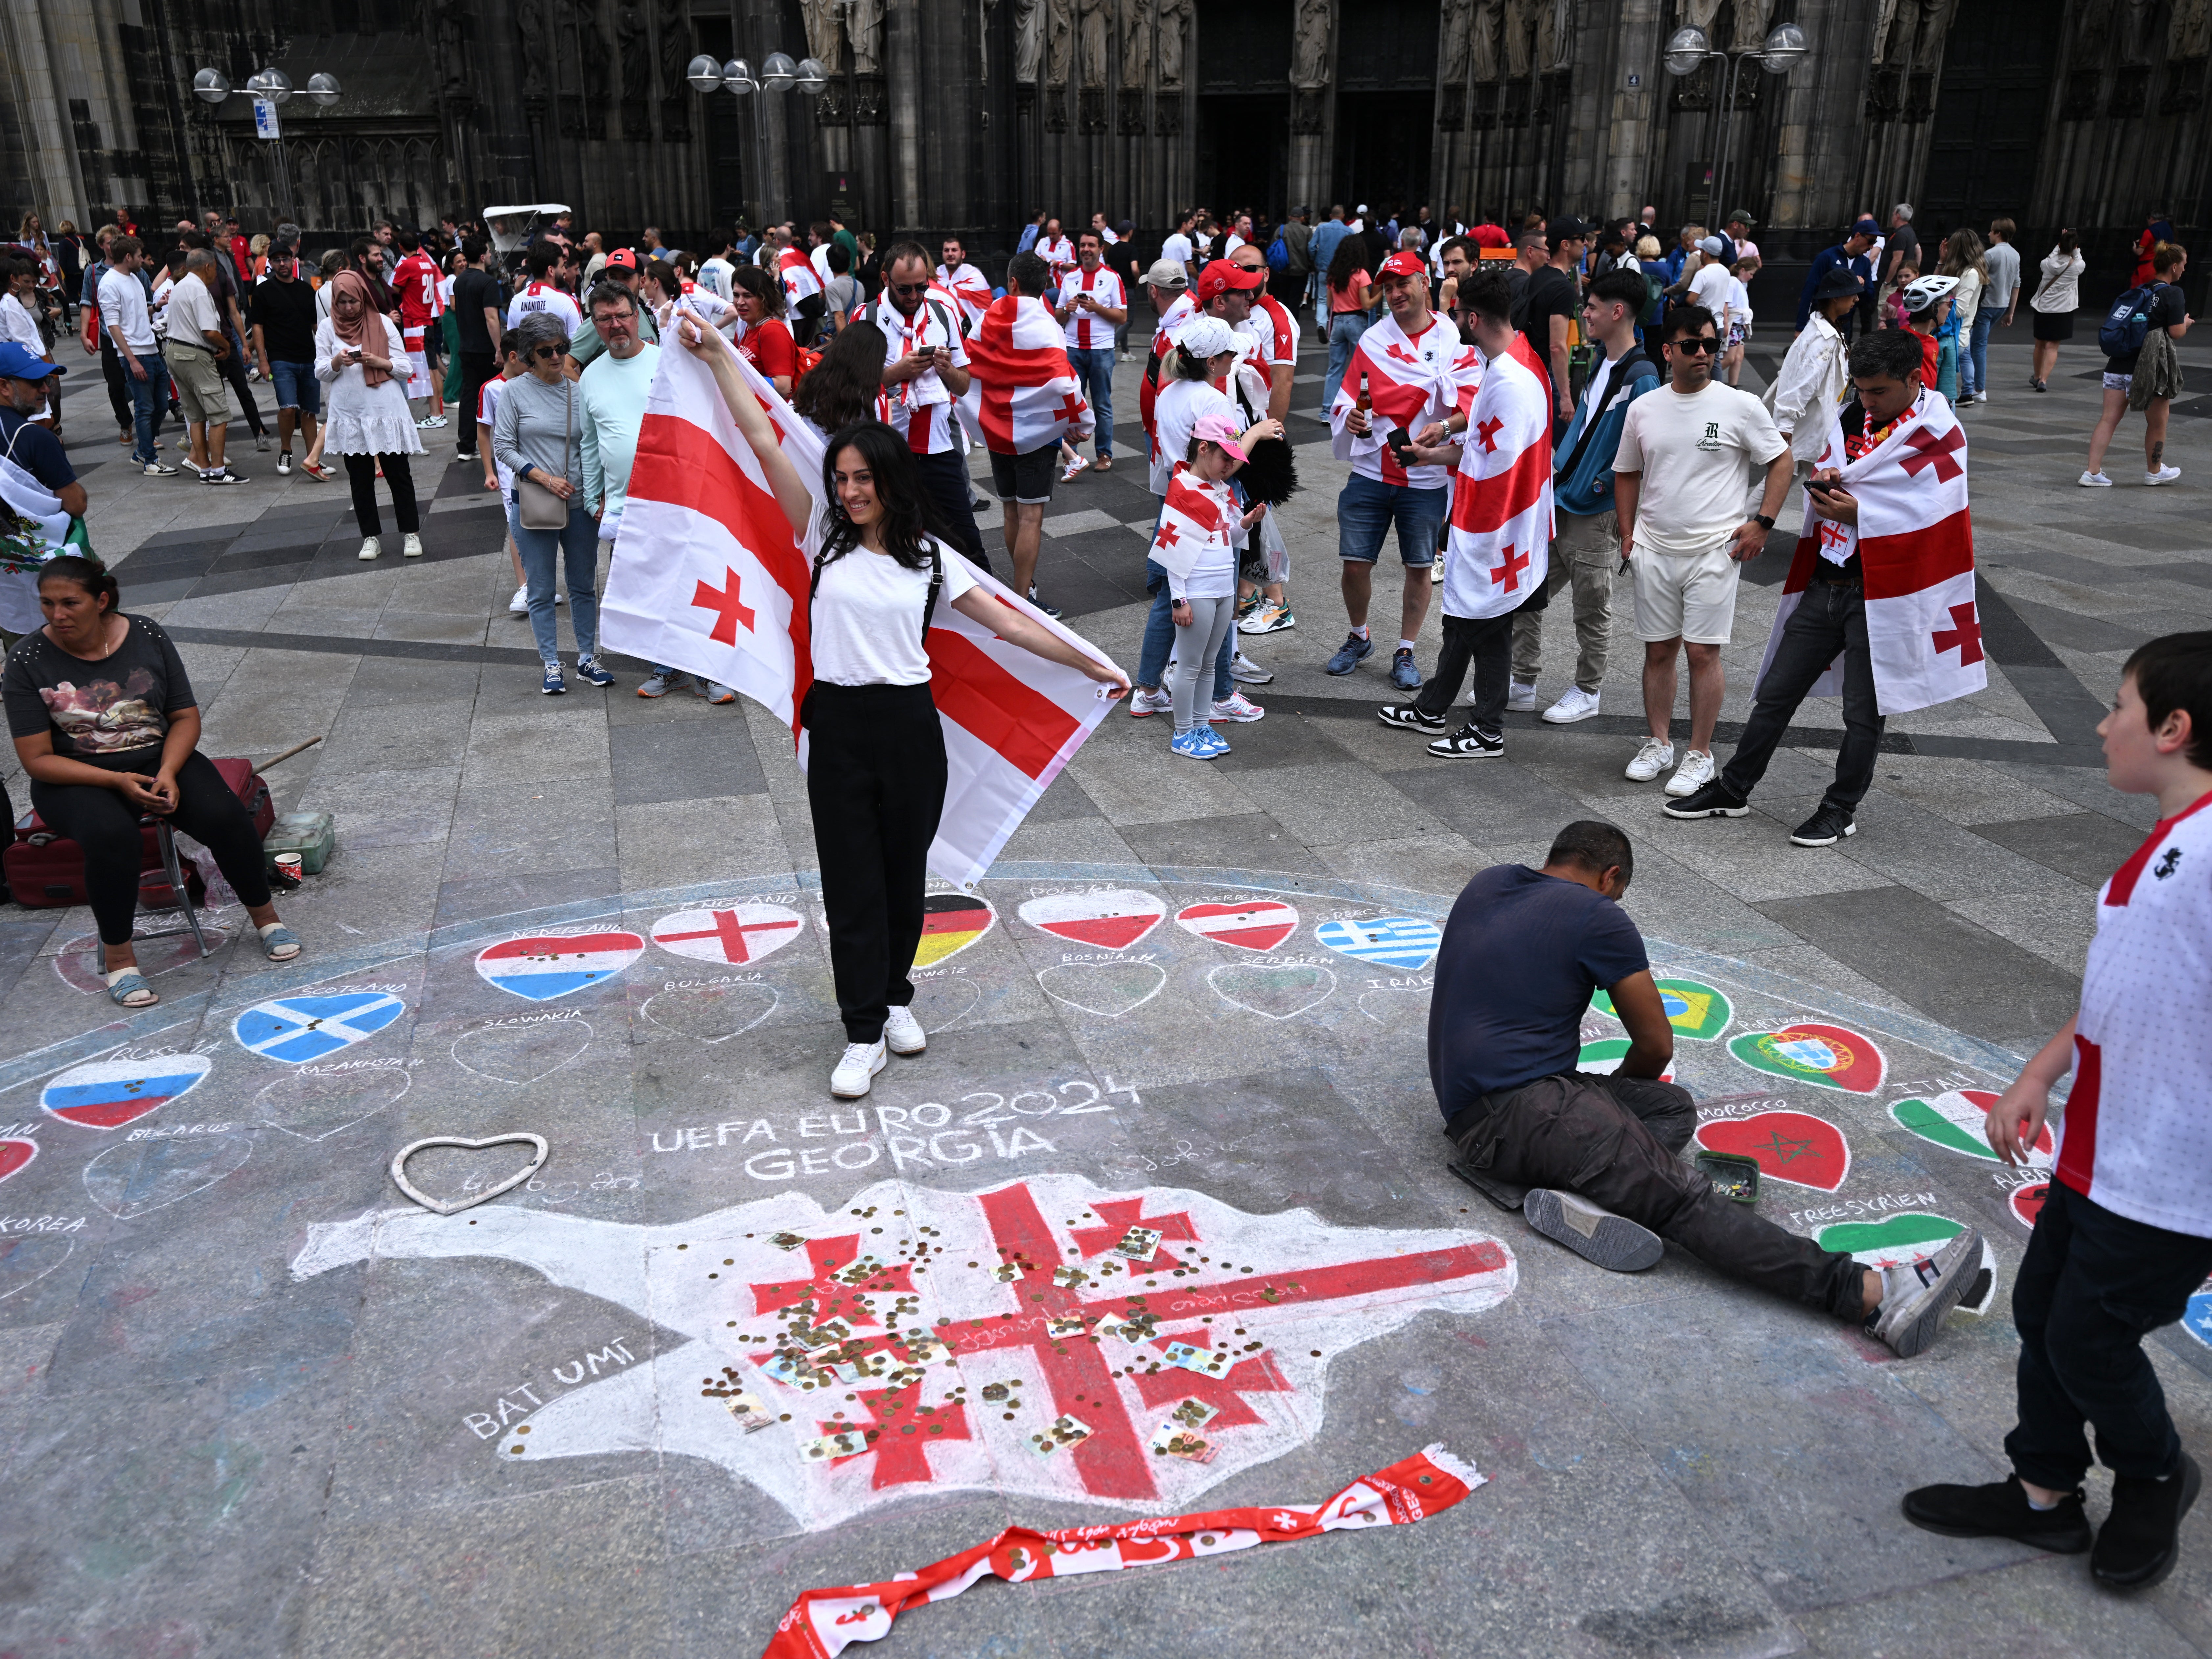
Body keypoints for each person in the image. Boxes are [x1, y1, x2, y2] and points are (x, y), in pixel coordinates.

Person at [669, 316, 1129, 1097]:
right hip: (840, 726)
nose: (847, 492)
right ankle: (859, 1032)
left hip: (911, 730)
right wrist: (719, 356)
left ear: (887, 482)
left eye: (860, 480)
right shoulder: (819, 536)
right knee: (852, 882)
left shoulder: (929, 562)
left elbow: (1011, 623)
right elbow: (762, 437)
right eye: (840, 479)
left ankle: (892, 1000)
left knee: (901, 879)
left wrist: (1092, 663)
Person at [1902, 632, 2212, 1589]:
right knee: (2044, 1308)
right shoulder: (2169, 844)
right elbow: (2129, 986)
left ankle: (2152, 1469)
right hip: (2102, 1147)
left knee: (2086, 1332)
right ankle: (2040, 1491)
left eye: (2115, 703)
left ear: (2171, 727)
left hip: (2171, 1173)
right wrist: (2040, 1071)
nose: (2098, 720)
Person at [1432, 817, 1983, 1353]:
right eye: (1618, 894)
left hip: (1478, 1104)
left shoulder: (1490, 882)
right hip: (1518, 1112)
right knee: (1686, 1198)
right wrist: (1604, 1128)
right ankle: (1874, 1297)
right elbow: (1655, 1045)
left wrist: (1609, 1118)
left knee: (1668, 1108)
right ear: (1611, 876)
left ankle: (1588, 1184)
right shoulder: (1598, 915)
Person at [1665, 328, 1980, 846]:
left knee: (1862, 713)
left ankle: (1839, 808)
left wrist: (1864, 511)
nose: (1866, 401)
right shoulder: (1853, 416)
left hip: (1882, 594)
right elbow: (1849, 471)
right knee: (1775, 692)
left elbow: (1934, 514)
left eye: (1878, 391)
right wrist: (1831, 486)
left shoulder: (1938, 431)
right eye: (1859, 389)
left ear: (1910, 379)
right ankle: (1733, 787)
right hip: (1829, 578)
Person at [4, 556, 300, 1009]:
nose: (56, 615)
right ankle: (122, 963)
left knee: (224, 814)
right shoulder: (26, 659)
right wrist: (118, 780)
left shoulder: (145, 634)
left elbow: (184, 716)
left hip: (160, 757)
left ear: (101, 601)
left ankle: (267, 919)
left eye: (69, 603)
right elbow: (37, 759)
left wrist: (166, 773)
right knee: (112, 837)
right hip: (74, 777)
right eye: (47, 603)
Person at [1613, 303, 1792, 800]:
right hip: (1653, 547)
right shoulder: (1643, 408)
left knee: (1701, 652)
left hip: (1714, 550)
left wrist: (1762, 524)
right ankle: (1657, 743)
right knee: (1658, 650)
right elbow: (1625, 471)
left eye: (1710, 346)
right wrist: (1627, 534)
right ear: (1667, 350)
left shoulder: (1739, 405)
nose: (1702, 355)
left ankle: (1699, 753)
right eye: (1690, 346)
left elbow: (1781, 461)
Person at [1376, 267, 1546, 758]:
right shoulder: (1518, 358)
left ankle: (1486, 729)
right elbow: (1483, 445)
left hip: (1496, 524)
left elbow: (1493, 468)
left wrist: (1470, 536)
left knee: (1485, 623)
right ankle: (1432, 706)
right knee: (1462, 620)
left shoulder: (1507, 379)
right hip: (1508, 518)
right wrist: (1432, 452)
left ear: (1472, 319)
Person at [1512, 269, 1657, 726]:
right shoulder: (1601, 361)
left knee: (1591, 607)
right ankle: (1521, 682)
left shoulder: (1642, 376)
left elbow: (1643, 450)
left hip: (1594, 511)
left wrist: (1601, 485)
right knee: (1527, 594)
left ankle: (1587, 690)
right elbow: (1584, 427)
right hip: (1562, 499)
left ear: (1618, 312)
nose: (1585, 315)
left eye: (1591, 307)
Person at [1326, 250, 1470, 689]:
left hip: (1424, 476)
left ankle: (1405, 650)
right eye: (1386, 288)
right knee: (1353, 565)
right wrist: (1348, 415)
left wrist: (1443, 426)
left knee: (1418, 567)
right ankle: (1358, 636)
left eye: (1401, 284)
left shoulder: (1453, 340)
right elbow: (1348, 395)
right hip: (1370, 471)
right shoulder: (1372, 340)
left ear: (1423, 283)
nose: (1393, 294)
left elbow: (1471, 406)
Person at [495, 313, 611, 696]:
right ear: (529, 354)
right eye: (547, 352)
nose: (557, 357)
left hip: (579, 502)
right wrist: (542, 477)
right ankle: (550, 663)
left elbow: (593, 445)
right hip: (534, 500)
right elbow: (503, 447)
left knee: (583, 584)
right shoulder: (513, 391)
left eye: (562, 348)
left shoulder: (580, 391)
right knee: (540, 589)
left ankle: (586, 658)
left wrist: (598, 489)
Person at [970, 250, 1092, 616]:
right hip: (1036, 435)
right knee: (1031, 518)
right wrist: (1081, 422)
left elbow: (972, 363)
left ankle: (1023, 587)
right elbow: (1064, 379)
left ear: (1012, 283)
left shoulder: (986, 320)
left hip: (997, 429)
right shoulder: (1048, 327)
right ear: (1045, 287)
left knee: (1010, 513)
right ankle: (1022, 602)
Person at [1153, 410, 1280, 759]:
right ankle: (1183, 732)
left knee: (1209, 664)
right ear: (1204, 449)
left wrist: (1247, 522)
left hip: (1223, 588)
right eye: (1226, 458)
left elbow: (1228, 536)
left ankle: (1199, 724)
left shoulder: (1219, 489)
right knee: (1191, 665)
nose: (1230, 466)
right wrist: (1179, 600)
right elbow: (1171, 551)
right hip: (1198, 590)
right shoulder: (1182, 490)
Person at [874, 242, 987, 572]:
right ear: (885, 279)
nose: (913, 295)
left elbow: (964, 384)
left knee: (968, 544)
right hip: (889, 453)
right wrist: (898, 372)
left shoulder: (943, 313)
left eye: (921, 286)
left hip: (939, 448)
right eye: (904, 289)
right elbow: (853, 387)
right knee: (896, 547)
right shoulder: (867, 316)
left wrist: (946, 369)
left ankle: (990, 618)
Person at [577, 281, 663, 687]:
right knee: (639, 589)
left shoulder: (667, 365)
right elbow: (589, 443)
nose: (615, 326)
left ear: (638, 316)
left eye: (622, 316)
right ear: (594, 325)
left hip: (671, 499)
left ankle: (704, 669)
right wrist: (595, 498)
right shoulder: (590, 377)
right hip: (620, 504)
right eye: (605, 319)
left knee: (681, 580)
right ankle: (663, 666)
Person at [319, 270, 425, 562]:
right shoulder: (327, 328)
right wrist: (337, 361)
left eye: (352, 301)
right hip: (350, 414)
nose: (348, 308)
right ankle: (370, 538)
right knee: (360, 479)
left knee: (398, 475)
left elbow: (405, 367)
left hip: (384, 411)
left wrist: (380, 362)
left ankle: (411, 533)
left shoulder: (383, 323)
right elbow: (320, 371)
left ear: (362, 296)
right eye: (341, 302)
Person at [2083, 243, 2190, 489]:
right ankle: (2154, 470)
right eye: (2183, 265)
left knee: (2108, 418)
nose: (2184, 269)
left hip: (2117, 365)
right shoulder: (2173, 294)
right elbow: (2175, 332)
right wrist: (2185, 323)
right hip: (2147, 368)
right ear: (2174, 267)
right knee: (2158, 421)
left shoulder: (2141, 290)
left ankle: (2092, 471)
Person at [0, 344, 83, 648]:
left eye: (46, 380)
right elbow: (75, 503)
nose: (46, 389)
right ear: (4, 386)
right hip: (43, 576)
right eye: (35, 382)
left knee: (20, 658)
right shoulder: (35, 437)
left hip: (4, 585)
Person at [1768, 267, 1861, 476]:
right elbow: (1806, 381)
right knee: (1794, 475)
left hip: (1814, 420)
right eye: (1851, 294)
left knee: (1786, 475)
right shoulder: (1823, 338)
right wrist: (1787, 422)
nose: (1856, 299)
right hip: (1809, 421)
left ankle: (1752, 509)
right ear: (1836, 298)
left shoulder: (1828, 329)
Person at [160, 251, 242, 486]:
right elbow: (209, 331)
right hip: (194, 354)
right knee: (218, 415)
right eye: (215, 268)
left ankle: (205, 468)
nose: (216, 274)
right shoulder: (198, 290)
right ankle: (218, 471)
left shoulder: (182, 286)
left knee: (195, 415)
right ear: (208, 267)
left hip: (175, 351)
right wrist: (227, 346)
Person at [98, 236, 175, 479]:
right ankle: (150, 461)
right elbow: (113, 326)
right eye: (140, 255)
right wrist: (131, 359)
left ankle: (142, 451)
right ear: (129, 257)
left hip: (152, 349)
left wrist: (157, 306)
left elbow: (139, 312)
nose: (144, 259)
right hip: (136, 355)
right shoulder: (109, 283)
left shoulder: (133, 279)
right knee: (145, 408)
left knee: (162, 406)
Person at [1055, 230, 1126, 473]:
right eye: (1083, 245)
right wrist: (1067, 307)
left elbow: (1122, 316)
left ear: (1101, 249)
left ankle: (1104, 454)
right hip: (1073, 348)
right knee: (1072, 404)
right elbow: (1057, 317)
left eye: (1091, 245)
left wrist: (1096, 308)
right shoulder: (1070, 277)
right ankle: (1072, 456)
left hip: (1101, 350)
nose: (1086, 249)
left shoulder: (1112, 278)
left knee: (1102, 404)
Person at [248, 244, 320, 478]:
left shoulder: (306, 290)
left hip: (308, 357)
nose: (282, 264)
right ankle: (286, 449)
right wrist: (263, 360)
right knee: (288, 408)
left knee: (310, 411)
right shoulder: (263, 292)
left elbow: (316, 325)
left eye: (286, 259)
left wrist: (324, 352)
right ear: (271, 263)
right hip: (280, 358)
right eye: (277, 260)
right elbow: (257, 327)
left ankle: (313, 459)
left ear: (293, 261)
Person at [1521, 216, 1586, 426]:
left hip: (1527, 365)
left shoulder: (1538, 276)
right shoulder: (1562, 287)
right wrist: (1566, 397)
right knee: (1568, 447)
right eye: (1581, 238)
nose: (1585, 243)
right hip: (1545, 372)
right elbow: (1557, 346)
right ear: (1566, 245)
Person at [451, 237, 504, 466]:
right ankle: (504, 443)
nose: (491, 255)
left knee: (470, 395)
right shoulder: (488, 283)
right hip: (486, 348)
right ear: (482, 257)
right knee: (499, 393)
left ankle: (466, 446)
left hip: (467, 346)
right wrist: (500, 348)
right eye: (489, 252)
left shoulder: (459, 282)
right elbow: (491, 318)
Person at [792, 319, 888, 441]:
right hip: (843, 458)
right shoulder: (872, 395)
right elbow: (877, 443)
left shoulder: (813, 379)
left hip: (808, 451)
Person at [392, 228, 447, 430]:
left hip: (415, 323)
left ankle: (435, 415)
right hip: (428, 319)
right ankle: (438, 413)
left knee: (426, 370)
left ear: (400, 247)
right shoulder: (427, 264)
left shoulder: (407, 265)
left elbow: (394, 291)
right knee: (432, 368)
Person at [1320, 234, 1379, 415]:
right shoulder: (1361, 274)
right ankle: (1356, 406)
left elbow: (1329, 304)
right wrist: (1380, 294)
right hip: (1356, 321)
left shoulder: (1334, 275)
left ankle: (1327, 411)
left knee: (1334, 368)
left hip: (1338, 321)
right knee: (1359, 368)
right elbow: (1367, 305)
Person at [1797, 218, 1879, 333]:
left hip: (1845, 324)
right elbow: (1809, 290)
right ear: (1858, 237)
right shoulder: (1827, 257)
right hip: (1821, 320)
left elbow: (1870, 296)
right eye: (1871, 242)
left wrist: (1862, 285)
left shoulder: (1865, 263)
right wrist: (1800, 327)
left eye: (1875, 243)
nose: (1871, 247)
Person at [2028, 228, 2084, 393]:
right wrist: (2075, 248)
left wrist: (2059, 244)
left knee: (2040, 344)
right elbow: (2078, 257)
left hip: (2044, 308)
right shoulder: (2078, 266)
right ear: (2075, 247)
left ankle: (2037, 376)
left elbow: (2051, 257)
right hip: (2063, 310)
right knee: (2052, 347)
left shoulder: (2047, 265)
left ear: (2059, 246)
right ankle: (2044, 381)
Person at [730, 265, 798, 397]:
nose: (740, 302)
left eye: (747, 295)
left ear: (764, 298)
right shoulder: (751, 328)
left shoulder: (772, 330)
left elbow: (783, 386)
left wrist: (736, 380)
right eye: (736, 295)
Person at [1939, 230, 1987, 404]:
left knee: (1944, 389)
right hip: (1946, 331)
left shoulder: (1971, 274)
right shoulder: (1958, 270)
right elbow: (1935, 286)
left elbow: (1959, 309)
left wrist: (1939, 306)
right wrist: (1941, 262)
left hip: (1954, 334)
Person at [1976, 218, 2021, 404]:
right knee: (1979, 344)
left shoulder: (1990, 255)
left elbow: (1978, 280)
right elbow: (2016, 284)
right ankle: (1976, 385)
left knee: (1978, 346)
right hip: (2001, 305)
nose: (1989, 234)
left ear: (1998, 234)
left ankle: (1979, 389)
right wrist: (2011, 312)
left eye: (1992, 231)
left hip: (1987, 305)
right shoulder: (2016, 255)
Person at [506, 242, 581, 337]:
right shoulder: (568, 302)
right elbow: (578, 346)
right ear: (551, 270)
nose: (565, 271)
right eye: (562, 266)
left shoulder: (516, 302)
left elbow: (512, 343)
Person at [935, 239, 991, 331]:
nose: (950, 254)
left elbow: (984, 309)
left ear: (963, 254)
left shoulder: (975, 277)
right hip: (940, 328)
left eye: (954, 250)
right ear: (943, 254)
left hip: (970, 331)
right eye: (946, 250)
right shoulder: (935, 276)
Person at [1878, 203, 1919, 317]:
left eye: (1893, 214)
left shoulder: (1901, 234)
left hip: (1894, 284)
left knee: (1885, 314)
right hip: (1901, 282)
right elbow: (1919, 252)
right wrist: (1913, 273)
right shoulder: (1910, 232)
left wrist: (1887, 282)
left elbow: (1897, 260)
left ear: (1898, 216)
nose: (1892, 217)